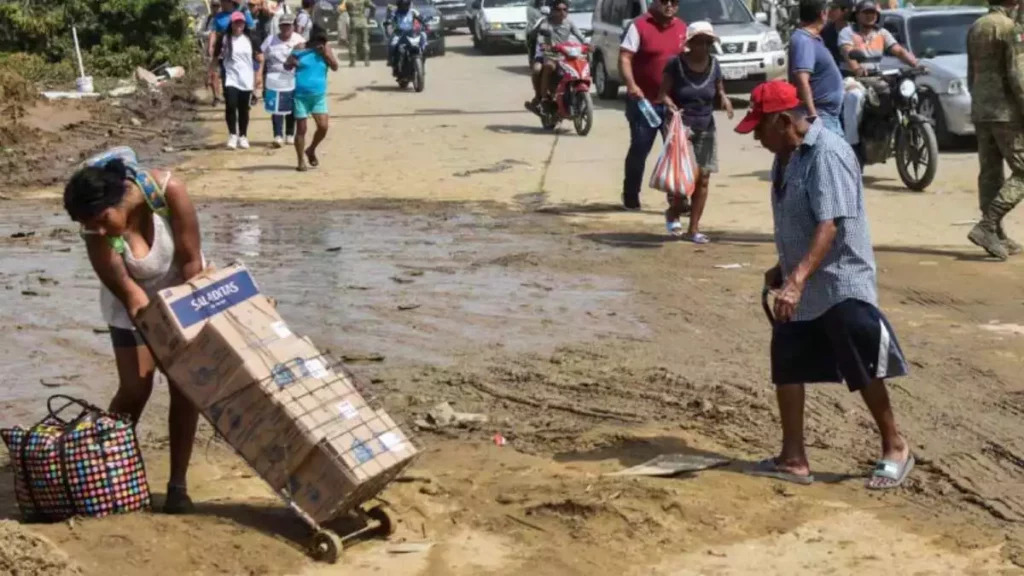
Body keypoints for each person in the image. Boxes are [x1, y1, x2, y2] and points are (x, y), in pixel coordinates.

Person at [734, 81, 912, 490]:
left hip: (840, 282)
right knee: (787, 361)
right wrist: (784, 268)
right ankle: (793, 458)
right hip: (803, 280)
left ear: (783, 121)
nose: (756, 138)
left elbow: (828, 224)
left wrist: (795, 281)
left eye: (759, 129)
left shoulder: (828, 154)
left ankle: (895, 445)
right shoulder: (785, 156)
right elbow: (800, 219)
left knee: (862, 363)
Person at [63, 149, 204, 514]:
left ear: (118, 199)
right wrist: (161, 339)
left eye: (103, 219)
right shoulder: (96, 230)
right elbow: (132, 296)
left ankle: (177, 486)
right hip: (132, 305)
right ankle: (104, 471)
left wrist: (193, 322)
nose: (101, 229)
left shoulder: (169, 192)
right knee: (135, 387)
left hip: (181, 290)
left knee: (186, 386)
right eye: (90, 225)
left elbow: (191, 261)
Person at [657, 21, 733, 242]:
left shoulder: (714, 64)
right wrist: (670, 106)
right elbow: (663, 94)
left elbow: (719, 90)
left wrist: (725, 100)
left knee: (704, 178)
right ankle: (674, 210)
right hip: (683, 129)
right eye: (699, 42)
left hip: (706, 127)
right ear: (690, 43)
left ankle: (694, 229)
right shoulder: (675, 64)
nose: (704, 47)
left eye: (707, 42)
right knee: (686, 179)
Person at [964, 0, 1024, 260]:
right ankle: (988, 225)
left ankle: (995, 234)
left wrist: (978, 100)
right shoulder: (1010, 28)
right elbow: (1016, 73)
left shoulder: (977, 26)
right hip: (1005, 111)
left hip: (982, 109)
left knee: (990, 171)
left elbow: (970, 73)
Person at [619, 0, 687, 211]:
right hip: (644, 103)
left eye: (674, 2)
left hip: (672, 104)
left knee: (676, 151)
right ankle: (631, 194)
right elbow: (625, 57)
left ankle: (677, 199)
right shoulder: (638, 26)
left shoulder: (682, 27)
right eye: (664, 1)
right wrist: (631, 85)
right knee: (640, 148)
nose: (669, 5)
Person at [838, 0, 919, 148]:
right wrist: (857, 69)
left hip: (875, 77)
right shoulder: (847, 32)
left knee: (901, 93)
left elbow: (899, 51)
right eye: (866, 12)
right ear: (857, 15)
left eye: (873, 12)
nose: (870, 15)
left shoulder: (882, 33)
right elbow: (847, 52)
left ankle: (892, 130)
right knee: (854, 97)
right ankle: (852, 144)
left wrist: (916, 64)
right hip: (852, 78)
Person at [286, 26, 339, 171]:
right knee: (301, 129)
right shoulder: (300, 48)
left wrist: (326, 55)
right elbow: (286, 65)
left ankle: (311, 149)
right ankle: (300, 161)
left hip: (318, 96)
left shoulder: (326, 50)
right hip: (300, 96)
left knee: (323, 127)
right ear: (312, 39)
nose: (319, 43)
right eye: (317, 40)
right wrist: (291, 62)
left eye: (322, 41)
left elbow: (335, 67)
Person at [789, 0, 844, 135]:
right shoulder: (803, 40)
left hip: (828, 115)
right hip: (820, 115)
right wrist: (813, 115)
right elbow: (802, 79)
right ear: (822, 14)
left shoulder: (813, 39)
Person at [217, 11, 263, 149]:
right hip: (231, 78)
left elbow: (261, 57)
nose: (238, 25)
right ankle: (232, 135)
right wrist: (211, 73)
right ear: (231, 24)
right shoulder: (225, 39)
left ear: (244, 24)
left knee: (244, 109)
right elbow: (216, 57)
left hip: (246, 79)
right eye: (236, 22)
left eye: (241, 23)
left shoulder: (251, 39)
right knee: (231, 105)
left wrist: (259, 75)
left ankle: (243, 135)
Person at [531, 0, 587, 110]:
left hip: (565, 54)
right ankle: (543, 98)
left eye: (565, 10)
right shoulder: (546, 23)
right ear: (553, 11)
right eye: (559, 10)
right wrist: (544, 44)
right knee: (547, 67)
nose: (562, 12)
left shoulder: (569, 23)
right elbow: (539, 36)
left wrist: (588, 45)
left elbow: (580, 36)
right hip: (549, 54)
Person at [263, 12, 305, 147]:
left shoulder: (299, 40)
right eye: (283, 26)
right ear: (279, 26)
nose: (286, 28)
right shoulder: (270, 40)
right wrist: (260, 77)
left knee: (290, 107)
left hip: (292, 78)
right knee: (276, 107)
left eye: (288, 25)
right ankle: (277, 135)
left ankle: (289, 133)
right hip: (273, 78)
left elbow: (305, 60)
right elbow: (261, 57)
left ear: (293, 26)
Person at [384, 0, 427, 73]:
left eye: (406, 5)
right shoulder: (394, 12)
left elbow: (422, 18)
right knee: (392, 44)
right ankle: (392, 61)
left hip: (411, 32)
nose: (404, 7)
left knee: (423, 40)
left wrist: (425, 23)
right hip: (399, 33)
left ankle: (421, 64)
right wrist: (388, 24)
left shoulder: (413, 11)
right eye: (403, 5)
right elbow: (389, 21)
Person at [822, 0, 852, 68]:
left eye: (833, 8)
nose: (830, 11)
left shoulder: (854, 31)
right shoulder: (825, 30)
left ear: (845, 11)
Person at [343, 0, 372, 67]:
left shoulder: (348, 2)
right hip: (363, 22)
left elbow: (346, 11)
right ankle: (367, 61)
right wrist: (369, 16)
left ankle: (353, 62)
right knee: (365, 42)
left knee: (353, 43)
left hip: (353, 22)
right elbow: (373, 7)